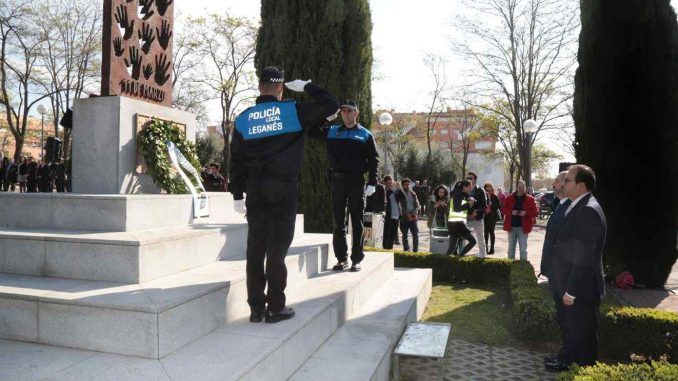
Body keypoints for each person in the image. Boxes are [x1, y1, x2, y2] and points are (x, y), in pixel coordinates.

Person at [229, 66, 338, 324]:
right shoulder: (292, 112)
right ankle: (276, 308)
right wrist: (307, 86)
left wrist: (236, 194)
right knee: (277, 251)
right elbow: (330, 104)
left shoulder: (244, 118)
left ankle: (256, 308)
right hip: (283, 190)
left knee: (255, 250)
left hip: (255, 190)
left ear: (259, 87)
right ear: (280, 88)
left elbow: (236, 162)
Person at [545, 165, 606, 372]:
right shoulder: (577, 205)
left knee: (584, 336)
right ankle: (568, 361)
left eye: (568, 180)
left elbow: (584, 257)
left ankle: (585, 373)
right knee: (572, 330)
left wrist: (571, 290)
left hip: (581, 289)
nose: (563, 184)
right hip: (570, 284)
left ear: (580, 185)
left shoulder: (588, 210)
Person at [310, 100, 379, 272]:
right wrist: (328, 118)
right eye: (343, 111)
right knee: (338, 222)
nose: (346, 114)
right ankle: (342, 259)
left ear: (356, 113)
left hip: (356, 181)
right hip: (337, 181)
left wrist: (372, 182)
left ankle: (356, 259)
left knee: (357, 221)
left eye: (350, 111)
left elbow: (374, 161)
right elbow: (312, 130)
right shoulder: (333, 131)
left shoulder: (365, 135)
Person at [539, 171, 569, 366]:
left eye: (558, 180)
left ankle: (567, 358)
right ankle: (564, 354)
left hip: (563, 274)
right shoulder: (561, 205)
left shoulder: (570, 208)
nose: (554, 183)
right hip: (556, 271)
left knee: (568, 320)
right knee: (563, 319)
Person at [501, 180, 538, 261]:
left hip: (523, 228)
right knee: (511, 249)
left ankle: (523, 268)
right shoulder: (509, 198)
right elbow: (503, 210)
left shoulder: (530, 199)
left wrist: (526, 213)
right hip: (511, 227)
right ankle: (510, 267)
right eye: (519, 187)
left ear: (525, 188)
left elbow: (535, 212)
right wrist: (511, 212)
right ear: (516, 187)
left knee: (523, 250)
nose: (521, 189)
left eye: (523, 187)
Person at [447, 180, 476, 256]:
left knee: (451, 249)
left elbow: (464, 209)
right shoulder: (458, 195)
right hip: (458, 224)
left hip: (455, 223)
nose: (471, 189)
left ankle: (445, 264)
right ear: (464, 187)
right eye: (469, 187)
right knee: (473, 241)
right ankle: (460, 257)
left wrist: (470, 204)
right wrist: (468, 204)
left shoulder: (463, 195)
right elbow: (456, 209)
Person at [466, 172, 487, 257]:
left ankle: (482, 254)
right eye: (468, 178)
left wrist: (476, 212)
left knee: (480, 237)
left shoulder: (480, 190)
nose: (469, 179)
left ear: (475, 179)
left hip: (477, 218)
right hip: (466, 218)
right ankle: (461, 254)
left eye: (471, 178)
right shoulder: (464, 189)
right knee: (462, 237)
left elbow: (484, 205)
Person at [398, 178, 420, 252]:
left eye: (408, 184)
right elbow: (399, 206)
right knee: (405, 236)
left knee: (415, 235)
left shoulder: (413, 194)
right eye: (405, 184)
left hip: (413, 217)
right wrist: (406, 214)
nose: (407, 186)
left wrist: (414, 212)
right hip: (404, 218)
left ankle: (415, 251)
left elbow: (417, 205)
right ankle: (406, 250)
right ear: (402, 185)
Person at [382, 175, 401, 249]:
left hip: (396, 216)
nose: (390, 184)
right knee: (386, 234)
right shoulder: (384, 191)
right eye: (388, 183)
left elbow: (402, 197)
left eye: (391, 182)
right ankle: (385, 249)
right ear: (385, 183)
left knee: (392, 235)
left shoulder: (394, 191)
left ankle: (390, 249)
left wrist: (399, 188)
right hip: (388, 216)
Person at [483, 182, 501, 255]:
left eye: (489, 190)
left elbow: (498, 206)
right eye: (486, 190)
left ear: (492, 190)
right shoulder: (483, 196)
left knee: (491, 232)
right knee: (485, 233)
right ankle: (486, 248)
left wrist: (492, 204)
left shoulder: (494, 197)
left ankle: (492, 248)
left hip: (492, 217)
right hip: (484, 216)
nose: (488, 192)